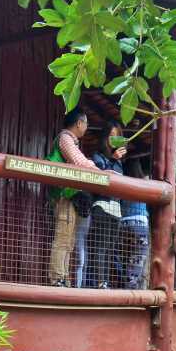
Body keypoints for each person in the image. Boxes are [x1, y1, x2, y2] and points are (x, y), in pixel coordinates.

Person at [47, 108, 97, 287]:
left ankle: (63, 277)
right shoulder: (65, 138)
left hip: (68, 197)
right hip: (65, 196)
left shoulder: (70, 140)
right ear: (79, 123)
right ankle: (57, 278)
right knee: (63, 238)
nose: (86, 127)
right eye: (86, 124)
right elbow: (80, 162)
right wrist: (99, 171)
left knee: (68, 240)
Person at [88, 124, 127, 288]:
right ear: (105, 137)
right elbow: (101, 178)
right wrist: (112, 159)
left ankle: (104, 282)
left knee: (110, 249)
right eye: (111, 135)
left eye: (117, 135)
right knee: (100, 247)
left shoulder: (119, 163)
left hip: (116, 209)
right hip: (102, 206)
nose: (113, 139)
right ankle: (99, 283)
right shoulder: (97, 157)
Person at [119, 159, 150, 289]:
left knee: (124, 257)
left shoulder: (121, 182)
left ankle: (123, 285)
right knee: (137, 258)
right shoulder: (145, 183)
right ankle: (131, 288)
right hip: (140, 224)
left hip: (123, 223)